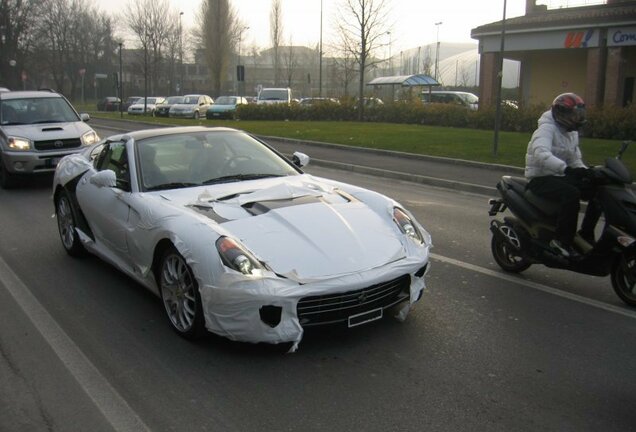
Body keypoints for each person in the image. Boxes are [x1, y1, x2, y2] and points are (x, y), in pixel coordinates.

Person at [524, 92, 601, 258]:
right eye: (574, 115)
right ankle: (561, 241)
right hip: (540, 178)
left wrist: (584, 171)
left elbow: (574, 158)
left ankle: (586, 233)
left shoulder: (571, 133)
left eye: (579, 115)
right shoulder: (546, 129)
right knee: (571, 194)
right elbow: (541, 153)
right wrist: (565, 169)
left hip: (558, 175)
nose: (577, 119)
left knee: (596, 190)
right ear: (561, 114)